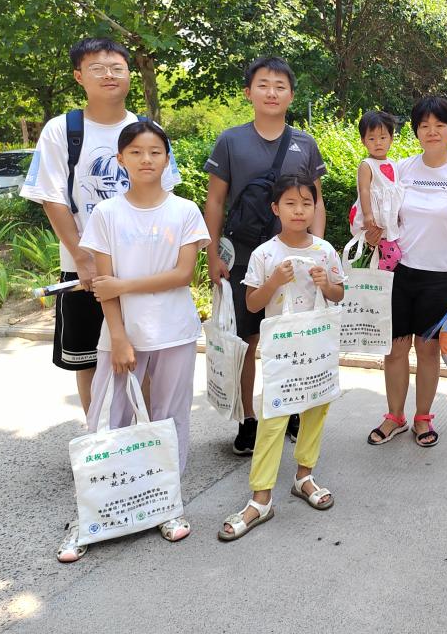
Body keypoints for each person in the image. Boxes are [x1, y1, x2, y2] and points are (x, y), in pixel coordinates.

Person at [59, 120, 209, 561]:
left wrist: (124, 286)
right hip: (121, 334)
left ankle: (166, 504)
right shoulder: (107, 214)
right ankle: (90, 516)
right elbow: (103, 284)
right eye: (137, 152)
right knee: (109, 419)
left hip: (175, 331)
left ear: (167, 159)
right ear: (121, 159)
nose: (147, 160)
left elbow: (183, 274)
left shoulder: (185, 210)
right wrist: (119, 335)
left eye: (156, 152)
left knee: (171, 417)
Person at [20, 37, 181, 415]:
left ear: (129, 74)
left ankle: (144, 434)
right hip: (84, 270)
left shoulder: (148, 129)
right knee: (88, 358)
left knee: (146, 355)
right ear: (79, 76)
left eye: (116, 68)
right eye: (97, 68)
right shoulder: (61, 130)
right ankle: (100, 438)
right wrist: (83, 257)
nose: (108, 75)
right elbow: (52, 197)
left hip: (141, 271)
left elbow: (165, 200)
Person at [203, 57, 326, 455]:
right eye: (263, 85)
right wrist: (212, 254)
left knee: (292, 339)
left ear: (291, 95)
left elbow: (317, 202)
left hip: (296, 262)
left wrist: (317, 251)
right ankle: (248, 419)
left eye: (280, 86)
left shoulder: (305, 143)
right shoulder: (230, 141)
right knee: (247, 342)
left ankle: (290, 408)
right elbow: (215, 201)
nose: (272, 92)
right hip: (244, 259)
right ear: (249, 92)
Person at [218, 176, 345, 541]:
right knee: (273, 418)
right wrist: (274, 281)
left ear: (315, 208)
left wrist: (326, 284)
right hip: (283, 352)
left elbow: (338, 294)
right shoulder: (264, 254)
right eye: (290, 203)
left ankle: (304, 476)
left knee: (316, 408)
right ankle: (260, 498)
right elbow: (252, 304)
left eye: (306, 203)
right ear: (276, 208)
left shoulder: (324, 250)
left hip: (316, 348)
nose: (299, 210)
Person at [366, 96, 447, 448]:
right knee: (395, 349)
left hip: (439, 275)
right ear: (416, 131)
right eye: (424, 125)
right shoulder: (400, 168)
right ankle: (394, 416)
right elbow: (380, 210)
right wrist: (371, 230)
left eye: (439, 125)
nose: (432, 131)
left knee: (428, 350)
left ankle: (422, 417)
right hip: (399, 272)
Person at [352, 110, 404, 271]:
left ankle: (379, 275)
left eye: (383, 137)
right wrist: (368, 215)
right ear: (363, 141)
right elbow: (364, 191)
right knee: (393, 256)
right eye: (372, 138)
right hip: (376, 221)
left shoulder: (394, 164)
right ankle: (377, 275)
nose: (378, 143)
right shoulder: (367, 165)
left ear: (391, 139)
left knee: (394, 252)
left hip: (388, 221)